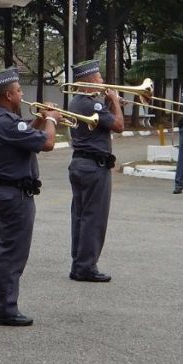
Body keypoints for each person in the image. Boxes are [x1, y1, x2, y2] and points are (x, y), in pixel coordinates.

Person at [0, 67, 60, 327]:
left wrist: (40, 119)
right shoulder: (5, 122)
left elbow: (26, 132)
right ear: (8, 95)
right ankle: (4, 309)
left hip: (2, 191)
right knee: (12, 254)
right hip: (14, 195)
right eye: (18, 91)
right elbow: (47, 143)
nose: (22, 94)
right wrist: (53, 120)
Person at [66, 60, 124, 282]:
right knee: (94, 218)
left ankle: (79, 263)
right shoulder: (92, 105)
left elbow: (103, 124)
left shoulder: (76, 102)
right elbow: (118, 126)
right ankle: (86, 267)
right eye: (99, 77)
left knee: (80, 216)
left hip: (80, 164)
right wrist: (115, 102)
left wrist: (111, 103)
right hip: (94, 167)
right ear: (90, 81)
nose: (103, 81)